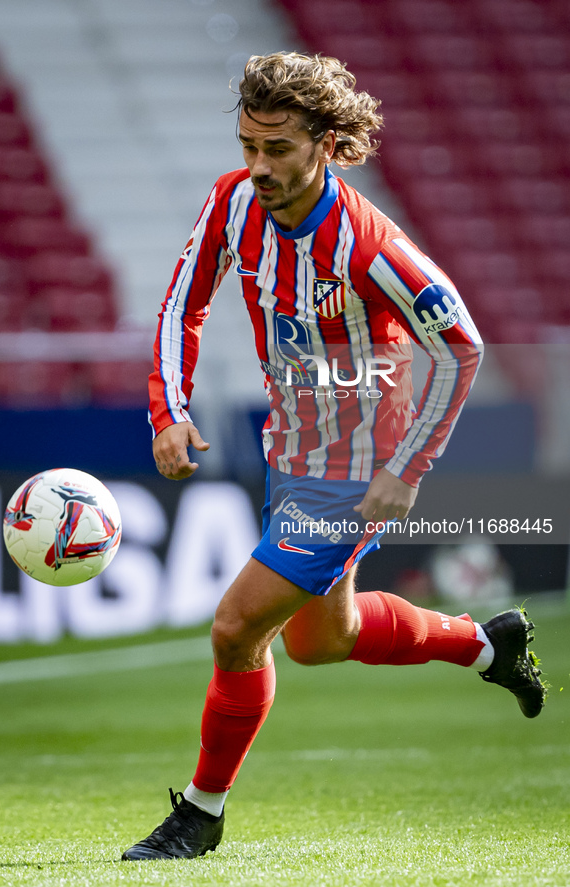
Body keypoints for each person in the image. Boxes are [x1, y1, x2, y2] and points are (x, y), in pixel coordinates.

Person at [121, 52, 547, 862]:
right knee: (323, 638)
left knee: (236, 627)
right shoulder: (231, 201)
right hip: (292, 450)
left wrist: (406, 469)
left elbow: (461, 346)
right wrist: (168, 410)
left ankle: (201, 815)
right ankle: (489, 644)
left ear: (324, 143)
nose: (258, 166)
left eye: (277, 148)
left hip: (356, 469)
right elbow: (184, 301)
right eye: (248, 144)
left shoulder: (370, 246)